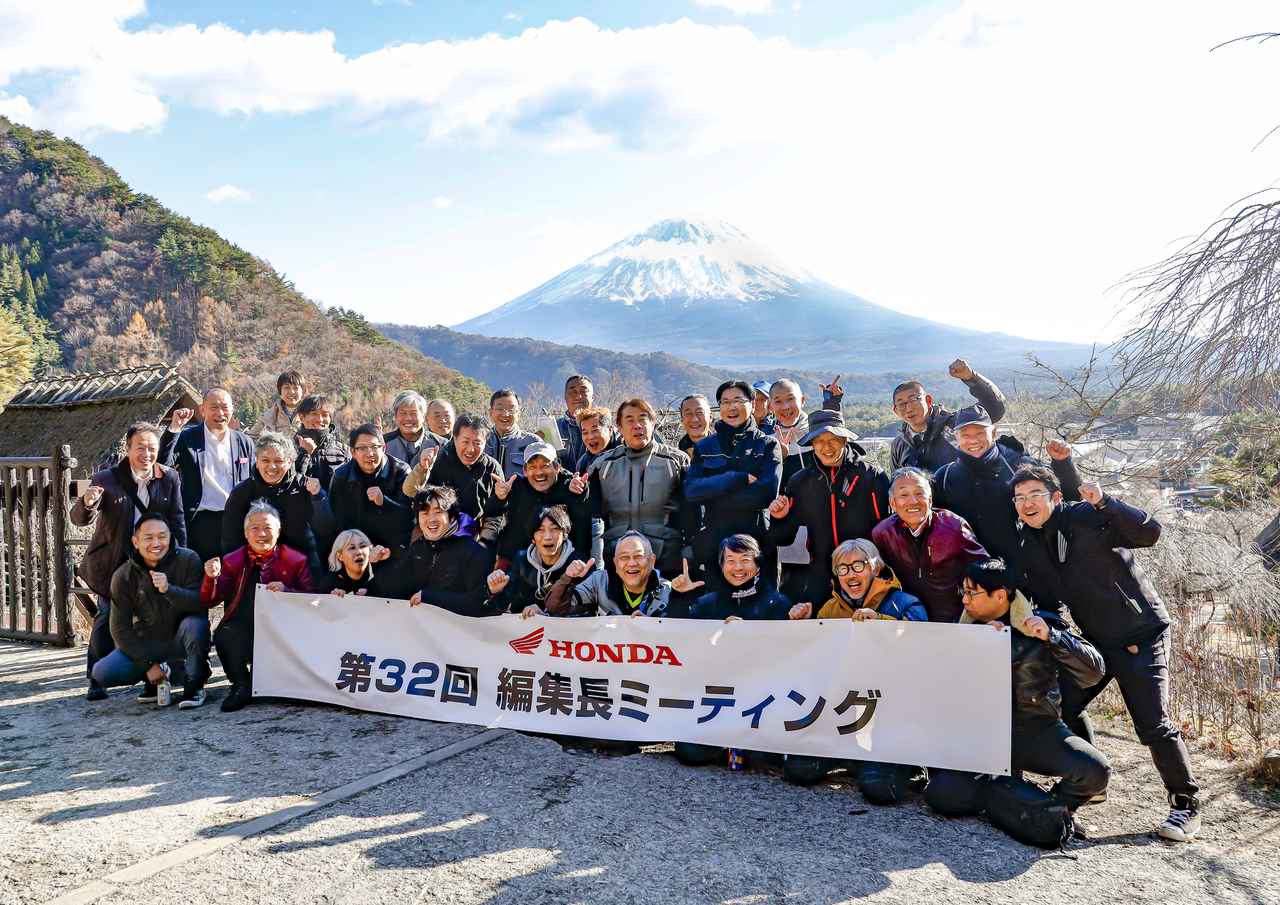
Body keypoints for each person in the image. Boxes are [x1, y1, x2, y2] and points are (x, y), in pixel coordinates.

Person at [1011, 464, 1201, 841]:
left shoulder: (1086, 516)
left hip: (1139, 632)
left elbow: (1150, 533)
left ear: (1056, 497)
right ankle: (1089, 783)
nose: (1027, 503)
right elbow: (1047, 599)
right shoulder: (1029, 541)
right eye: (1019, 498)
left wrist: (1106, 502)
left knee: (1152, 723)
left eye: (1035, 495)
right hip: (1095, 639)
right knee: (1062, 705)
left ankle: (1185, 805)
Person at [924, 559, 1110, 848]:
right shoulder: (962, 628)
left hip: (1038, 730)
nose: (964, 600)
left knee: (1096, 772)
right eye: (963, 591)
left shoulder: (1039, 622)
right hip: (984, 735)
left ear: (1000, 595)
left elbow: (1094, 671)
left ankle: (1053, 808)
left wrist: (1052, 637)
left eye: (972, 592)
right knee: (942, 794)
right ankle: (1010, 795)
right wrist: (977, 644)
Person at [783, 538, 925, 793]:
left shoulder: (905, 603)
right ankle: (848, 756)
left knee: (878, 788)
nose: (851, 574)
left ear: (876, 568)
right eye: (843, 568)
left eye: (859, 566)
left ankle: (909, 766)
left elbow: (924, 648)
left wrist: (880, 622)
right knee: (799, 769)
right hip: (843, 711)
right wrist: (803, 627)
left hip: (891, 718)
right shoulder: (830, 608)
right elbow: (814, 660)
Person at [71, 422, 186, 700]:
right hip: (113, 562)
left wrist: (180, 558)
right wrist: (87, 502)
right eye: (140, 448)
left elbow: (177, 519)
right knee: (107, 616)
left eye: (152, 448)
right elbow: (79, 518)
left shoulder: (168, 477)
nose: (147, 454)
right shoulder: (105, 478)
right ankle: (96, 679)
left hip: (153, 560)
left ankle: (153, 680)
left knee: (156, 619)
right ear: (128, 448)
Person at [676, 535, 791, 768]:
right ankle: (727, 749)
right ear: (721, 566)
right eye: (730, 561)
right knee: (689, 752)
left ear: (758, 564)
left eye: (745, 560)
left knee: (767, 757)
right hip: (718, 701)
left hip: (762, 702)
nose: (738, 567)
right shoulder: (706, 603)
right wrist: (679, 597)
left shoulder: (778, 603)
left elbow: (789, 657)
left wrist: (748, 635)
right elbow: (680, 641)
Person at [767, 409, 890, 605]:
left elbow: (885, 530)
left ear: (844, 440)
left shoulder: (871, 476)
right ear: (812, 444)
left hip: (866, 574)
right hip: (821, 577)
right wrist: (780, 517)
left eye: (833, 439)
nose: (827, 447)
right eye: (819, 441)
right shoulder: (800, 482)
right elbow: (784, 539)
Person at [88, 514, 210, 708]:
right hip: (148, 642)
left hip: (181, 638)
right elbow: (119, 629)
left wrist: (169, 590)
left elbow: (200, 603)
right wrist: (148, 665)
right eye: (148, 538)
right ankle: (154, 679)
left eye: (162, 536)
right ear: (135, 542)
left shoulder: (189, 559)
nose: (156, 543)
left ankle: (195, 684)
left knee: (196, 625)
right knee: (101, 672)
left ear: (170, 537)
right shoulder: (123, 575)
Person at [202, 501, 313, 712]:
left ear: (278, 532)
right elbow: (210, 600)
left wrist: (287, 591)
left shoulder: (296, 560)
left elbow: (313, 601)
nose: (261, 534)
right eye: (254, 528)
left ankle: (269, 682)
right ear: (246, 533)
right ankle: (240, 684)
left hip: (283, 630)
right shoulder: (233, 560)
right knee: (225, 634)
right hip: (245, 627)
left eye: (267, 528)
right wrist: (211, 578)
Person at [932, 405, 1081, 560]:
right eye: (965, 434)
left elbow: (1070, 499)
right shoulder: (944, 477)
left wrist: (1063, 463)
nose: (973, 440)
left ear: (994, 433)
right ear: (956, 437)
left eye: (980, 433)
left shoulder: (1021, 466)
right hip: (969, 569)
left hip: (1024, 567)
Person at [684, 380, 782, 579]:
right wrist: (735, 479)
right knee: (716, 597)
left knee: (760, 597)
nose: (731, 407)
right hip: (715, 543)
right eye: (725, 402)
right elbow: (692, 491)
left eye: (738, 400)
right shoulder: (705, 447)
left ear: (752, 404)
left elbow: (766, 493)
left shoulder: (767, 445)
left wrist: (712, 494)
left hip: (757, 541)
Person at [870, 468, 990, 623]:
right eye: (904, 495)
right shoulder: (883, 533)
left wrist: (989, 615)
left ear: (930, 499)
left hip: (954, 620)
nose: (913, 501)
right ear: (892, 503)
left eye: (919, 493)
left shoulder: (954, 527)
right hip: (906, 621)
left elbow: (984, 570)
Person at [587, 397, 690, 576]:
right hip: (618, 559)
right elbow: (591, 515)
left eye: (643, 418)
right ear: (619, 428)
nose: (637, 425)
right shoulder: (602, 465)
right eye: (630, 420)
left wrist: (688, 552)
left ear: (653, 423)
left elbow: (692, 513)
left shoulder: (676, 461)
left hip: (667, 559)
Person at [160, 388, 254, 562]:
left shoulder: (243, 442)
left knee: (233, 570)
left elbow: (253, 480)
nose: (220, 413)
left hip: (236, 519)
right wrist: (174, 428)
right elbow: (162, 464)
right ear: (202, 410)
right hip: (200, 519)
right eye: (214, 407)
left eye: (225, 407)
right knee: (200, 571)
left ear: (232, 409)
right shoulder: (188, 438)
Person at [221, 432, 324, 578]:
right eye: (265, 460)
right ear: (257, 461)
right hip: (255, 570)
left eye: (278, 461)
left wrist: (319, 497)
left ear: (289, 462)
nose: (272, 467)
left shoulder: (305, 487)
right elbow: (230, 540)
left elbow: (324, 528)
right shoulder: (242, 492)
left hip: (300, 570)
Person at [537, 531, 701, 618]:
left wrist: (681, 598)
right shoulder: (599, 581)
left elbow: (682, 637)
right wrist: (567, 579)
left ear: (652, 560)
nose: (631, 563)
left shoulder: (667, 590)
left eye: (638, 556)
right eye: (624, 558)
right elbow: (556, 609)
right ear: (615, 563)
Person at [885, 359, 1007, 471]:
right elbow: (897, 482)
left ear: (928, 400)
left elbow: (995, 407)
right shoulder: (899, 445)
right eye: (901, 404)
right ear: (896, 411)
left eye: (914, 400)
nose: (909, 408)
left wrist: (971, 378)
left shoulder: (956, 425)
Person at [486, 440, 591, 570]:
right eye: (532, 467)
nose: (539, 472)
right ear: (525, 470)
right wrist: (499, 498)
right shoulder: (516, 486)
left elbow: (584, 508)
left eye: (545, 466)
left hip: (562, 560)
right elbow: (491, 512)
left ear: (557, 467)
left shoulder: (569, 485)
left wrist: (580, 492)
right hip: (517, 558)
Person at [389, 486, 494, 616]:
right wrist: (374, 566)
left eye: (438, 512)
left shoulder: (474, 552)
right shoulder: (418, 548)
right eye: (425, 513)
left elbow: (477, 604)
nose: (431, 519)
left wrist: (429, 598)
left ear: (451, 517)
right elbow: (395, 588)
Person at [402, 413, 504, 544]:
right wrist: (422, 468)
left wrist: (485, 543)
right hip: (432, 534)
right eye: (465, 441)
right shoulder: (437, 459)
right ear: (455, 438)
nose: (470, 449)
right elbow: (409, 491)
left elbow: (495, 514)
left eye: (477, 443)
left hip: (471, 537)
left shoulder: (492, 468)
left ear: (485, 442)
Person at [327, 423, 414, 557]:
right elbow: (338, 519)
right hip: (357, 547)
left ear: (384, 448)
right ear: (353, 452)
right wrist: (363, 547)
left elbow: (410, 516)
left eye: (374, 447)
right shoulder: (341, 476)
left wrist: (384, 502)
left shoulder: (401, 471)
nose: (370, 453)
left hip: (394, 546)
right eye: (362, 448)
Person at [485, 506, 587, 612]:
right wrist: (494, 591)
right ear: (533, 538)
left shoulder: (577, 565)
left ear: (564, 534)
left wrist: (545, 615)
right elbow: (503, 605)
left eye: (554, 529)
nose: (547, 537)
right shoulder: (522, 560)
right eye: (540, 530)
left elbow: (584, 611)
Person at [574, 405, 619, 562]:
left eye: (595, 430)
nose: (590, 437)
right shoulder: (583, 462)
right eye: (585, 432)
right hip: (597, 530)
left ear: (610, 430)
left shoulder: (626, 453)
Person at [293, 394, 349, 491]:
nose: (320, 419)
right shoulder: (289, 448)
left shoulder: (343, 450)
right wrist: (304, 453)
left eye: (325, 415)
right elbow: (287, 485)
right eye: (314, 414)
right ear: (302, 417)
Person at [485, 388, 540, 479]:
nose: (505, 414)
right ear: (491, 413)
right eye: (500, 409)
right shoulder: (481, 441)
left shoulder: (532, 442)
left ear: (518, 414)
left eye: (511, 409)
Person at [318, 529, 392, 596]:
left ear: (370, 549)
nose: (359, 552)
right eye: (352, 548)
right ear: (340, 556)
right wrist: (335, 599)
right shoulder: (330, 584)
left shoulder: (380, 574)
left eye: (363, 546)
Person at [384, 390, 434, 467]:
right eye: (403, 413)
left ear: (423, 416)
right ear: (395, 416)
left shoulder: (439, 444)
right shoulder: (383, 444)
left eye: (413, 413)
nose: (408, 418)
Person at [556, 375, 593, 469]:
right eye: (573, 392)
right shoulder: (554, 428)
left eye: (583, 391)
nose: (578, 396)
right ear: (565, 397)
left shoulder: (606, 429)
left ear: (592, 397)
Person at [252, 370, 305, 435]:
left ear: (302, 391)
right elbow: (251, 437)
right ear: (280, 391)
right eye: (287, 387)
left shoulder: (311, 412)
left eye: (296, 388)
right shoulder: (268, 416)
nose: (291, 392)